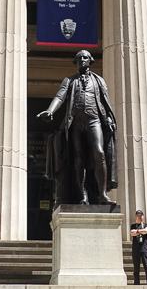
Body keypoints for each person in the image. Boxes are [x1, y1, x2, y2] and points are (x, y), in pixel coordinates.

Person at [36, 50, 118, 205]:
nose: (82, 60)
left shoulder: (99, 80)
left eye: (85, 57)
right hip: (75, 123)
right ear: (76, 62)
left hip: (94, 120)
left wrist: (108, 117)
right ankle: (82, 196)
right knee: (78, 159)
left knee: (99, 153)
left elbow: (105, 101)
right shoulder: (69, 80)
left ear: (90, 60)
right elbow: (60, 96)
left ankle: (102, 195)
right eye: (79, 58)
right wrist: (50, 110)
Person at [130, 209, 147, 285]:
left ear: (143, 217)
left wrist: (137, 231)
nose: (139, 217)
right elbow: (132, 233)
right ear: (136, 216)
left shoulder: (146, 225)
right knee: (136, 269)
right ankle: (136, 284)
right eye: (138, 216)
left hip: (144, 249)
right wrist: (141, 231)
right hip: (136, 249)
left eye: (141, 216)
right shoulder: (133, 225)